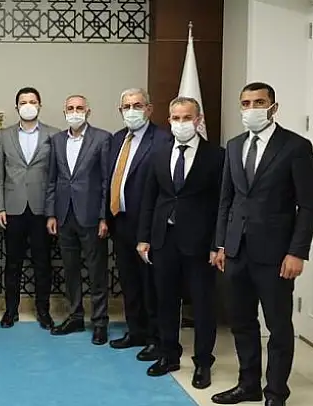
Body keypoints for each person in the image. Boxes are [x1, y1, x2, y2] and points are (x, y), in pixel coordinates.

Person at [211, 82, 313, 406]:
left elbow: (307, 205)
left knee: (278, 326)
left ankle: (276, 393)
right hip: (236, 251)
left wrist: (297, 252)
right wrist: (220, 244)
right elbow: (226, 200)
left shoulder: (295, 146)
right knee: (241, 322)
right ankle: (248, 385)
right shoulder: (234, 146)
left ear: (273, 107)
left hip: (276, 254)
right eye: (246, 103)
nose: (251, 108)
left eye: (259, 102)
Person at [136, 97, 223, 389]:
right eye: (176, 118)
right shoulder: (159, 152)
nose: (181, 123)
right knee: (165, 301)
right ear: (169, 120)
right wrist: (143, 237)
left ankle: (203, 362)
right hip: (164, 239)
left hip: (200, 243)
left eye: (187, 117)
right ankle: (169, 354)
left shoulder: (216, 156)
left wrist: (217, 244)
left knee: (203, 304)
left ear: (198, 120)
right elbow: (149, 198)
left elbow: (222, 204)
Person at [107, 88, 171, 360]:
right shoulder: (117, 139)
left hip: (148, 225)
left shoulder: (163, 140)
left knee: (151, 284)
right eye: (126, 106)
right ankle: (135, 331)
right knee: (129, 281)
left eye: (137, 105)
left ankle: (156, 338)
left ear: (149, 109)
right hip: (120, 221)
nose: (131, 111)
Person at [44, 95, 111, 344]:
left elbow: (106, 182)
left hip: (91, 216)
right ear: (64, 112)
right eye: (70, 108)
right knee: (70, 269)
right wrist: (51, 213)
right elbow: (52, 180)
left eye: (79, 108)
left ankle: (100, 322)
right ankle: (75, 316)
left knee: (96, 271)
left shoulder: (102, 139)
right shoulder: (57, 140)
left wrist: (104, 217)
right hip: (64, 215)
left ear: (88, 112)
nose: (75, 112)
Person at [0, 87, 59, 329]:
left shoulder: (54, 135)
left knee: (42, 264)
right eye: (23, 102)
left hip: (42, 209)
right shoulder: (4, 136)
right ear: (17, 107)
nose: (28, 105)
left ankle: (43, 311)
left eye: (33, 101)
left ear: (40, 105)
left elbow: (56, 176)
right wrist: (1, 207)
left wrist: (53, 211)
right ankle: (10, 311)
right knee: (13, 264)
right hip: (13, 208)